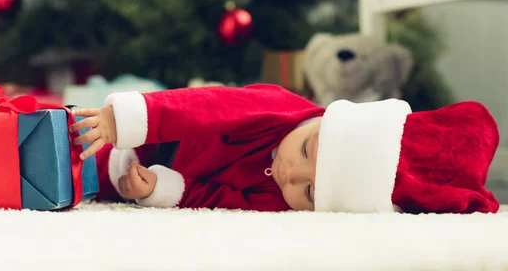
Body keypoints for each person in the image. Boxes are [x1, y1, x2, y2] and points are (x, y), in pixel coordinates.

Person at [69, 83, 500, 214]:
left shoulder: (286, 201)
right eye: (309, 152)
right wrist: (123, 121)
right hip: (166, 133)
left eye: (311, 192)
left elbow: (222, 201)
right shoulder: (276, 109)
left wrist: (158, 191)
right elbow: (204, 107)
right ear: (322, 120)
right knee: (81, 131)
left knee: (95, 183)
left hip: (173, 169)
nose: (292, 174)